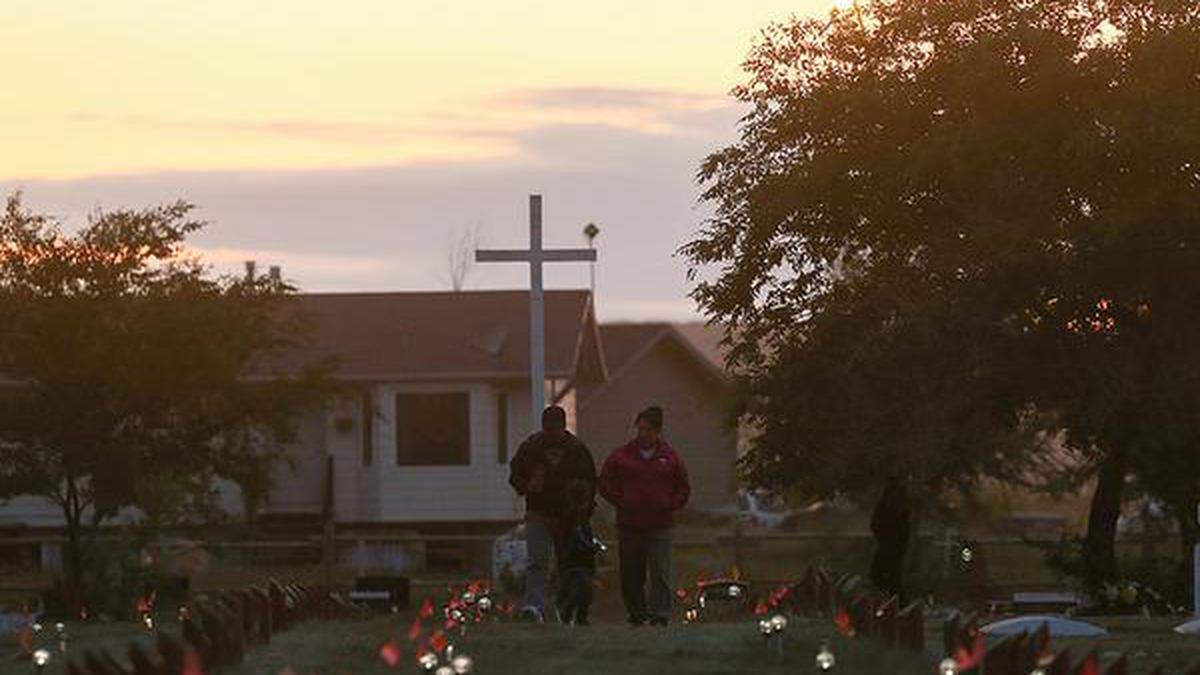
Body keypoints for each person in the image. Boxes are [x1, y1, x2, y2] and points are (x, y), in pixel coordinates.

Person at [598, 405, 690, 627]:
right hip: (630, 525)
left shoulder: (670, 457)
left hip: (661, 525)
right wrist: (621, 501)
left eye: (647, 429)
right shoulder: (621, 456)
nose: (642, 434)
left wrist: (669, 504)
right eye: (639, 429)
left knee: (661, 572)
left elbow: (683, 487)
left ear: (657, 431)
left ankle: (661, 614)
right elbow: (605, 482)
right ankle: (637, 614)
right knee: (631, 574)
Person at [508, 405, 596, 622]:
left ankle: (565, 608)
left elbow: (590, 482)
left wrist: (582, 510)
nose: (552, 432)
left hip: (568, 516)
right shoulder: (531, 448)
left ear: (563, 426)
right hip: (538, 513)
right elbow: (515, 474)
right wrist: (526, 486)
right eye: (549, 428)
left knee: (568, 565)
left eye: (555, 428)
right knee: (538, 561)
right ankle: (534, 607)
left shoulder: (577, 450)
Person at [554, 478, 602, 625]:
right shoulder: (575, 517)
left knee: (581, 590)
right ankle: (571, 614)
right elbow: (579, 536)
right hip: (578, 560)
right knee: (583, 590)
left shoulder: (575, 516)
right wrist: (592, 547)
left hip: (574, 560)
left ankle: (576, 616)